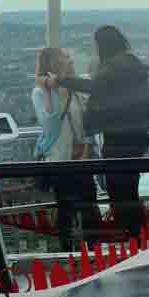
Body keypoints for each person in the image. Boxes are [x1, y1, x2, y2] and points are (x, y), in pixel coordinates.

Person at [48, 25, 149, 242]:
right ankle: (138, 239)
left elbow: (93, 86)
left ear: (102, 44)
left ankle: (132, 238)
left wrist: (59, 80)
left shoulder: (114, 66)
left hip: (119, 137)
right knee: (129, 190)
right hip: (137, 135)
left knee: (119, 192)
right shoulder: (131, 63)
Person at [32, 47, 97, 253]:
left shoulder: (77, 87)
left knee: (89, 204)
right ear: (52, 64)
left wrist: (87, 148)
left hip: (81, 156)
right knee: (66, 208)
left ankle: (93, 250)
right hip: (58, 158)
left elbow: (87, 122)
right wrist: (52, 92)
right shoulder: (39, 93)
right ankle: (68, 252)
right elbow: (50, 122)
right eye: (65, 57)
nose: (70, 61)